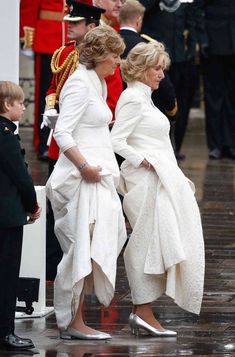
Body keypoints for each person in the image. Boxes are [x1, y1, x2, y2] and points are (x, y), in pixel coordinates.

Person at [111, 42, 205, 337]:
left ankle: (144, 310)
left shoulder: (145, 98)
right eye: (157, 68)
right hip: (144, 182)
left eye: (162, 68)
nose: (161, 74)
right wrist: (146, 162)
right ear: (141, 68)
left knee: (157, 245)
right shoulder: (132, 98)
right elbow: (116, 140)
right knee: (145, 244)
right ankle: (143, 311)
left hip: (158, 181)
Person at [46, 25, 127, 340]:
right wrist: (84, 167)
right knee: (79, 248)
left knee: (97, 243)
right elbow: (63, 132)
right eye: (114, 56)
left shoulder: (97, 82)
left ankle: (76, 320)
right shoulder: (79, 83)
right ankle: (72, 322)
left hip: (98, 175)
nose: (117, 63)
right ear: (98, 55)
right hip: (82, 177)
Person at [41, 0, 105, 281]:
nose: (69, 27)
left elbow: (108, 102)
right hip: (62, 138)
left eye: (75, 23)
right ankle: (52, 265)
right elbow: (53, 86)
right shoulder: (64, 53)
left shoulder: (100, 60)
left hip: (88, 143)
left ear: (91, 26)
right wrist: (51, 108)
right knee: (57, 205)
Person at [0, 81, 41, 350]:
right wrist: (33, 205)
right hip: (8, 217)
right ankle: (6, 333)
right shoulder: (5, 135)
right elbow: (22, 178)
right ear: (6, 105)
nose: (23, 107)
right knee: (6, 277)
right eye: (20, 103)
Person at [139, 0, 198, 160]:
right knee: (158, 104)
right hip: (156, 60)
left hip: (179, 59)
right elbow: (141, 9)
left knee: (179, 104)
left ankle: (175, 146)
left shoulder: (184, 3)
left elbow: (191, 23)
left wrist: (191, 50)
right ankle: (159, 144)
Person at [20, 0, 68, 160]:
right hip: (47, 39)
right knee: (46, 95)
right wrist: (28, 40)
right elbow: (29, 7)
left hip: (70, 38)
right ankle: (43, 143)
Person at [194, 0, 235, 160]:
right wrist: (203, 39)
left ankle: (230, 143)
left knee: (232, 98)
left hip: (232, 44)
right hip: (213, 45)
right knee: (213, 98)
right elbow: (197, 10)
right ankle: (215, 144)